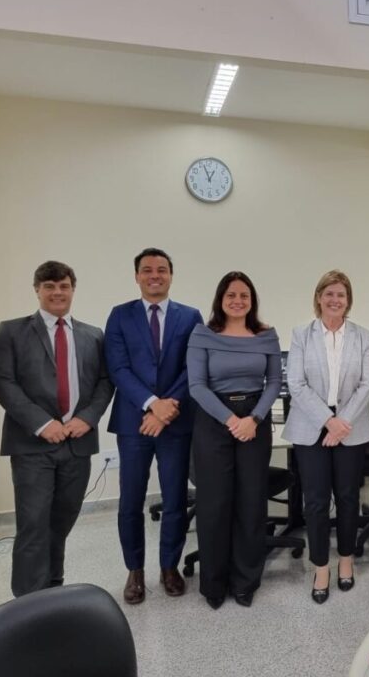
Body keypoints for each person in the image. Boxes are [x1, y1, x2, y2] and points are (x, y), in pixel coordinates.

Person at [0, 260, 113, 598]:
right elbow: (2, 382)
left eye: (64, 286)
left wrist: (87, 418)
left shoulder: (92, 335)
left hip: (78, 442)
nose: (57, 292)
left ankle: (52, 592)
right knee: (33, 526)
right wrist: (42, 424)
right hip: (32, 445)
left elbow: (104, 382)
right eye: (49, 286)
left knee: (61, 523)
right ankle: (27, 603)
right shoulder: (11, 331)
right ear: (37, 290)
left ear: (73, 289)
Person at [104, 248, 203, 604]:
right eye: (147, 270)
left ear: (171, 275)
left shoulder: (190, 317)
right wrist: (151, 404)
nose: (154, 275)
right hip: (134, 423)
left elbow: (194, 366)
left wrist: (167, 407)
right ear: (137, 276)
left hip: (176, 422)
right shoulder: (120, 316)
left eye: (161, 270)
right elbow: (118, 368)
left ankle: (169, 567)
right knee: (130, 501)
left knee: (175, 498)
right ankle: (135, 572)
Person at [187, 271, 282, 609]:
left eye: (244, 295)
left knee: (251, 502)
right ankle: (213, 583)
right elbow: (196, 386)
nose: (238, 300)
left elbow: (274, 383)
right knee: (214, 503)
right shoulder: (203, 334)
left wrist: (253, 419)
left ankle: (245, 581)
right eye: (231, 295)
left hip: (255, 419)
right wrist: (231, 420)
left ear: (252, 300)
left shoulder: (266, 335)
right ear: (220, 299)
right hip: (215, 421)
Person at [283, 270, 369, 603]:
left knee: (349, 498)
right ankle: (321, 565)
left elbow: (367, 383)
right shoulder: (301, 335)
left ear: (348, 300)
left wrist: (341, 422)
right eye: (329, 294)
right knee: (317, 502)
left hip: (351, 427)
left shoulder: (362, 336)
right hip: (311, 426)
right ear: (319, 297)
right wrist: (328, 420)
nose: (335, 300)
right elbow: (296, 383)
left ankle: (346, 560)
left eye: (342, 295)